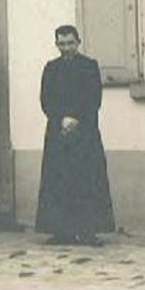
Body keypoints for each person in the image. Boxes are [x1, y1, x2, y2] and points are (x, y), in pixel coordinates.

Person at [35, 24, 115, 246]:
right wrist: (60, 118)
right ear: (56, 44)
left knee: (87, 181)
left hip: (85, 132)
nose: (66, 48)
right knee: (59, 181)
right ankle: (61, 231)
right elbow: (46, 98)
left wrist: (76, 119)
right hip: (58, 133)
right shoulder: (51, 68)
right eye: (62, 44)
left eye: (70, 43)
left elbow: (94, 98)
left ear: (78, 42)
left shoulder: (89, 67)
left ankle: (89, 230)